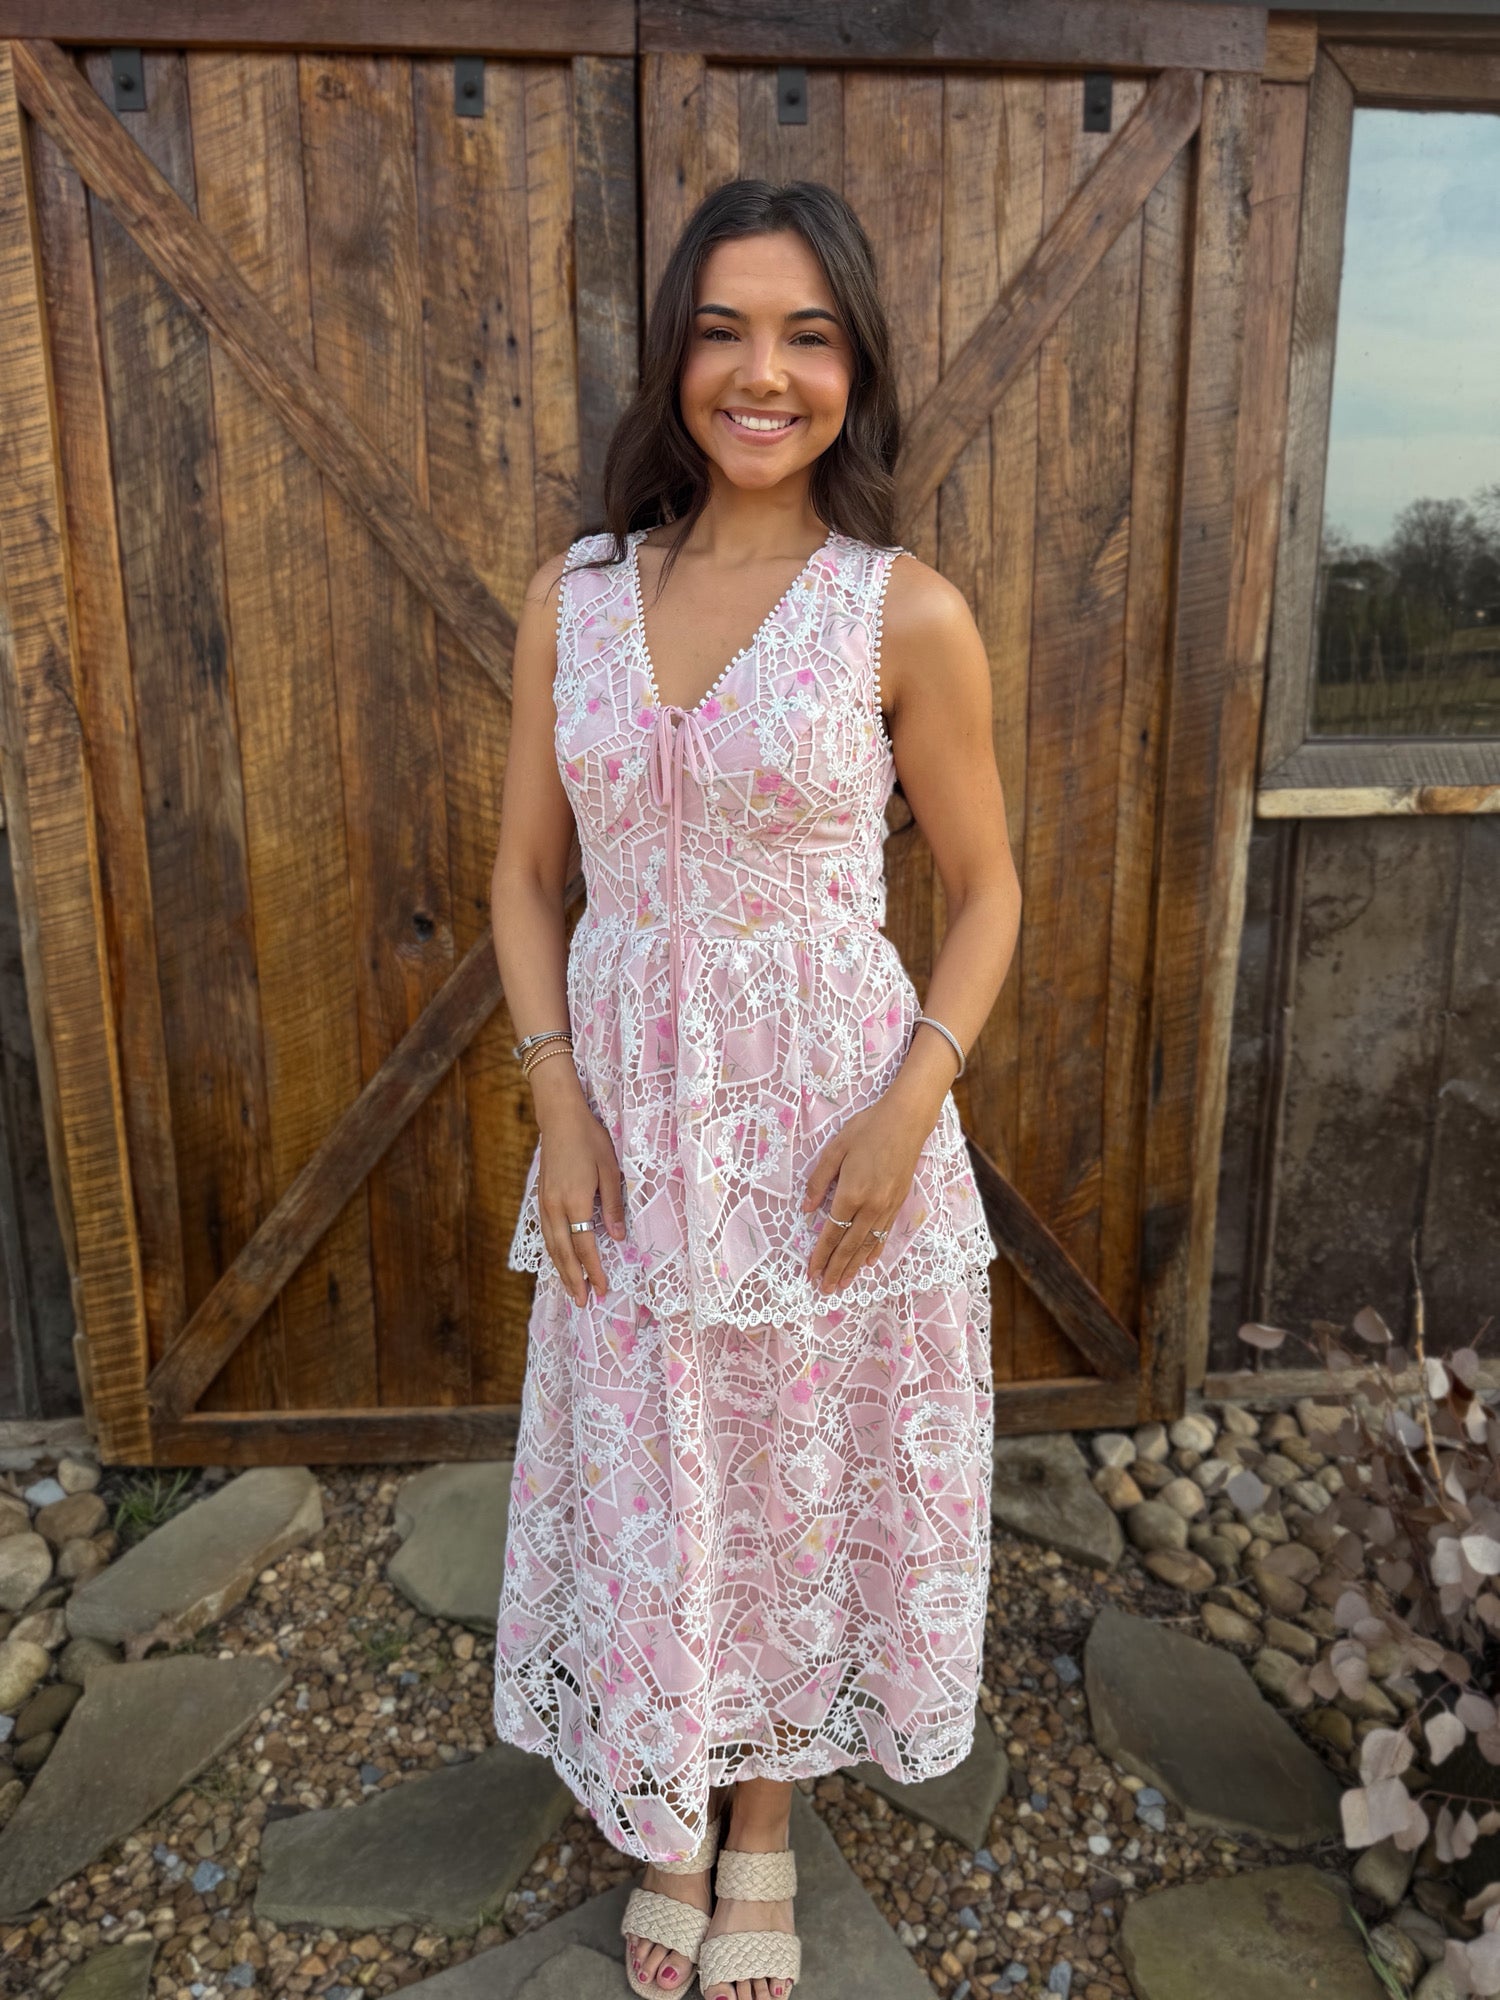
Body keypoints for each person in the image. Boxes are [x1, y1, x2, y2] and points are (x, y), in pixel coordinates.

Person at [490, 177, 1020, 2000]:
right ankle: (662, 1809)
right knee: (651, 1450)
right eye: (723, 328)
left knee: (798, 1461)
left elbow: (989, 891)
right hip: (624, 1111)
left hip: (826, 1121)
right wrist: (556, 1093)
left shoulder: (905, 613)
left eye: (805, 333)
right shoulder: (578, 594)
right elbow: (521, 877)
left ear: (854, 367)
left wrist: (910, 1104)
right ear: (676, 354)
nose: (761, 372)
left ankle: (767, 1826)